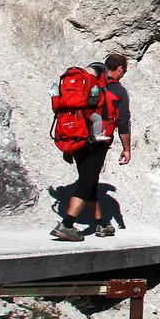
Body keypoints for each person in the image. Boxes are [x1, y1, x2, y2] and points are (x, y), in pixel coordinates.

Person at [51, 53, 132, 242]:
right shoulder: (118, 91)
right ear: (119, 69)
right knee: (87, 182)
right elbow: (123, 122)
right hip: (98, 141)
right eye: (124, 71)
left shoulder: (92, 84)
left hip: (78, 135)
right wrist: (126, 148)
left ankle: (101, 224)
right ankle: (67, 224)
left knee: (90, 181)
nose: (123, 74)